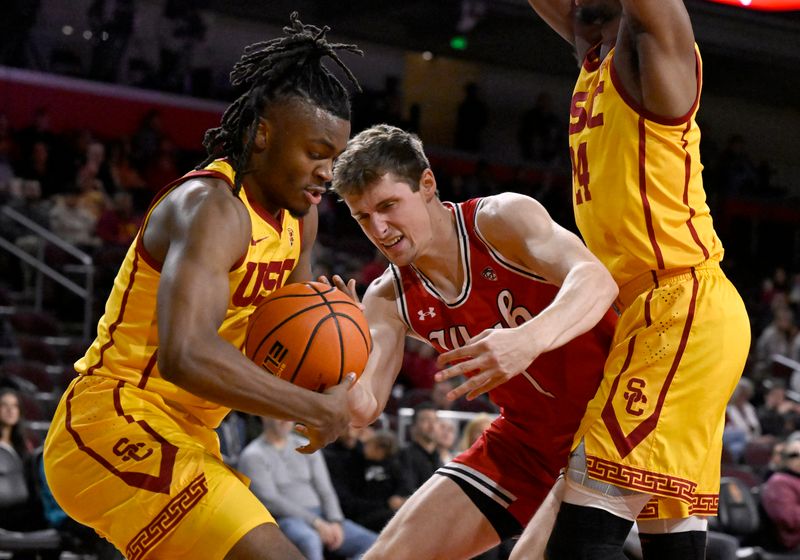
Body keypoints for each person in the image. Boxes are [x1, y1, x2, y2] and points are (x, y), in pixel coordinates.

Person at [43, 13, 362, 560]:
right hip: (112, 417)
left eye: (335, 158)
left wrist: (334, 352)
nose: (326, 173)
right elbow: (185, 355)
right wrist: (313, 406)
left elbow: (282, 356)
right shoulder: (212, 208)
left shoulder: (299, 220)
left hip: (191, 435)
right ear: (262, 133)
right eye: (315, 153)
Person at [517, 2, 751, 558]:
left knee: (581, 534)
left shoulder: (653, 43)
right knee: (669, 539)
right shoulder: (592, 45)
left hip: (680, 305)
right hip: (654, 314)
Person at [330, 123, 618, 560]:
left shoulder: (499, 221)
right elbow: (365, 406)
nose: (379, 228)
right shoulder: (387, 295)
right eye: (363, 217)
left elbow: (596, 279)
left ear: (427, 184)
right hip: (525, 444)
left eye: (389, 206)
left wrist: (527, 339)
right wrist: (330, 369)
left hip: (610, 422)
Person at [237, 418, 377, 560]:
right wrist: (316, 522)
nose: (286, 420)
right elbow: (271, 500)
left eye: (289, 415)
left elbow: (325, 489)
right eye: (279, 415)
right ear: (264, 416)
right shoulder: (252, 455)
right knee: (309, 540)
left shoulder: (307, 445)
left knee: (373, 543)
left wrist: (335, 520)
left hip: (323, 515)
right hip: (286, 518)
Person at [761, 438, 800, 552]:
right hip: (792, 543)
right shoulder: (779, 481)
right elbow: (788, 518)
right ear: (783, 459)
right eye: (794, 455)